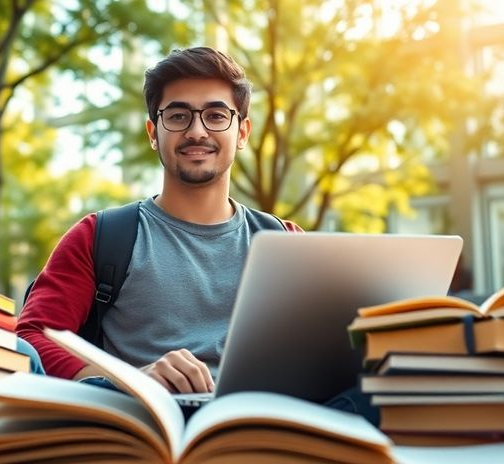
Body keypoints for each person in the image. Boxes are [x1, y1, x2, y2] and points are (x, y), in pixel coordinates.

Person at [17, 47, 303, 396]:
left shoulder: (287, 245)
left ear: (242, 133)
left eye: (216, 116)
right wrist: (128, 381)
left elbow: (329, 352)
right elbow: (31, 338)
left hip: (261, 434)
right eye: (179, 116)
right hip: (139, 434)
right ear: (154, 132)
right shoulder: (98, 237)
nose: (197, 131)